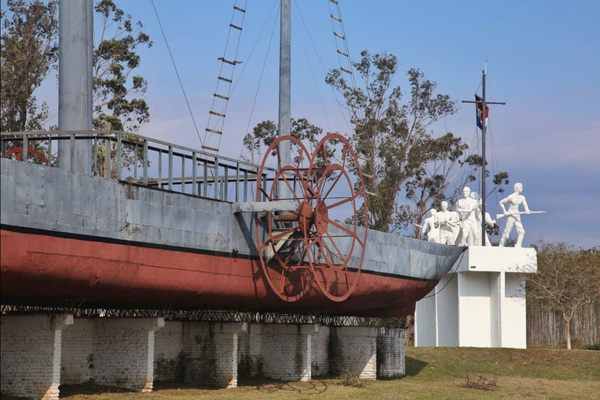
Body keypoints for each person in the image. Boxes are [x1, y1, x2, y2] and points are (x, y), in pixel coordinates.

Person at [499, 182, 531, 247]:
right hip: (511, 215)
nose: (522, 189)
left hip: (517, 215)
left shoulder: (522, 197)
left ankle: (518, 245)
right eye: (520, 187)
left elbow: (525, 204)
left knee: (522, 231)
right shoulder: (511, 197)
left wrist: (527, 210)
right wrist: (505, 211)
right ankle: (501, 244)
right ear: (516, 188)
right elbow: (501, 202)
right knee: (507, 231)